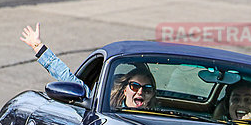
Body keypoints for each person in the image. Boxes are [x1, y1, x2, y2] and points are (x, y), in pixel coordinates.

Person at [20, 23, 157, 110]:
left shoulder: (161, 114)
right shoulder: (101, 104)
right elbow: (65, 77)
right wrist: (37, 46)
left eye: (147, 89)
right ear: (125, 89)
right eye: (134, 86)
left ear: (152, 94)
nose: (140, 92)